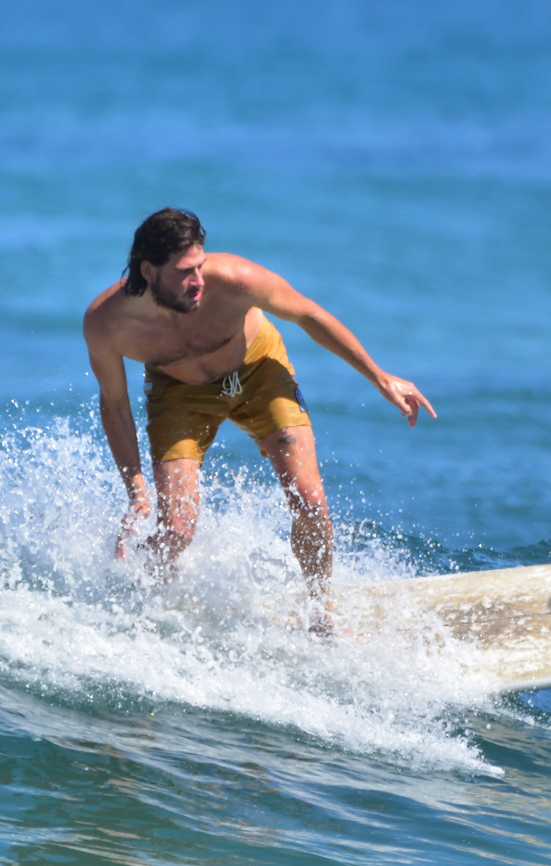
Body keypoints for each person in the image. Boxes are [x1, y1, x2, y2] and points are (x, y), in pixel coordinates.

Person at [82, 207, 434, 625]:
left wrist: (379, 377)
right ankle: (144, 609)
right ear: (149, 271)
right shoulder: (107, 323)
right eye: (184, 272)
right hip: (180, 393)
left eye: (200, 265)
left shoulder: (236, 281)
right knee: (175, 528)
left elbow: (308, 314)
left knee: (311, 499)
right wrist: (136, 489)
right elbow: (115, 404)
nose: (198, 281)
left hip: (258, 370)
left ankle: (322, 615)